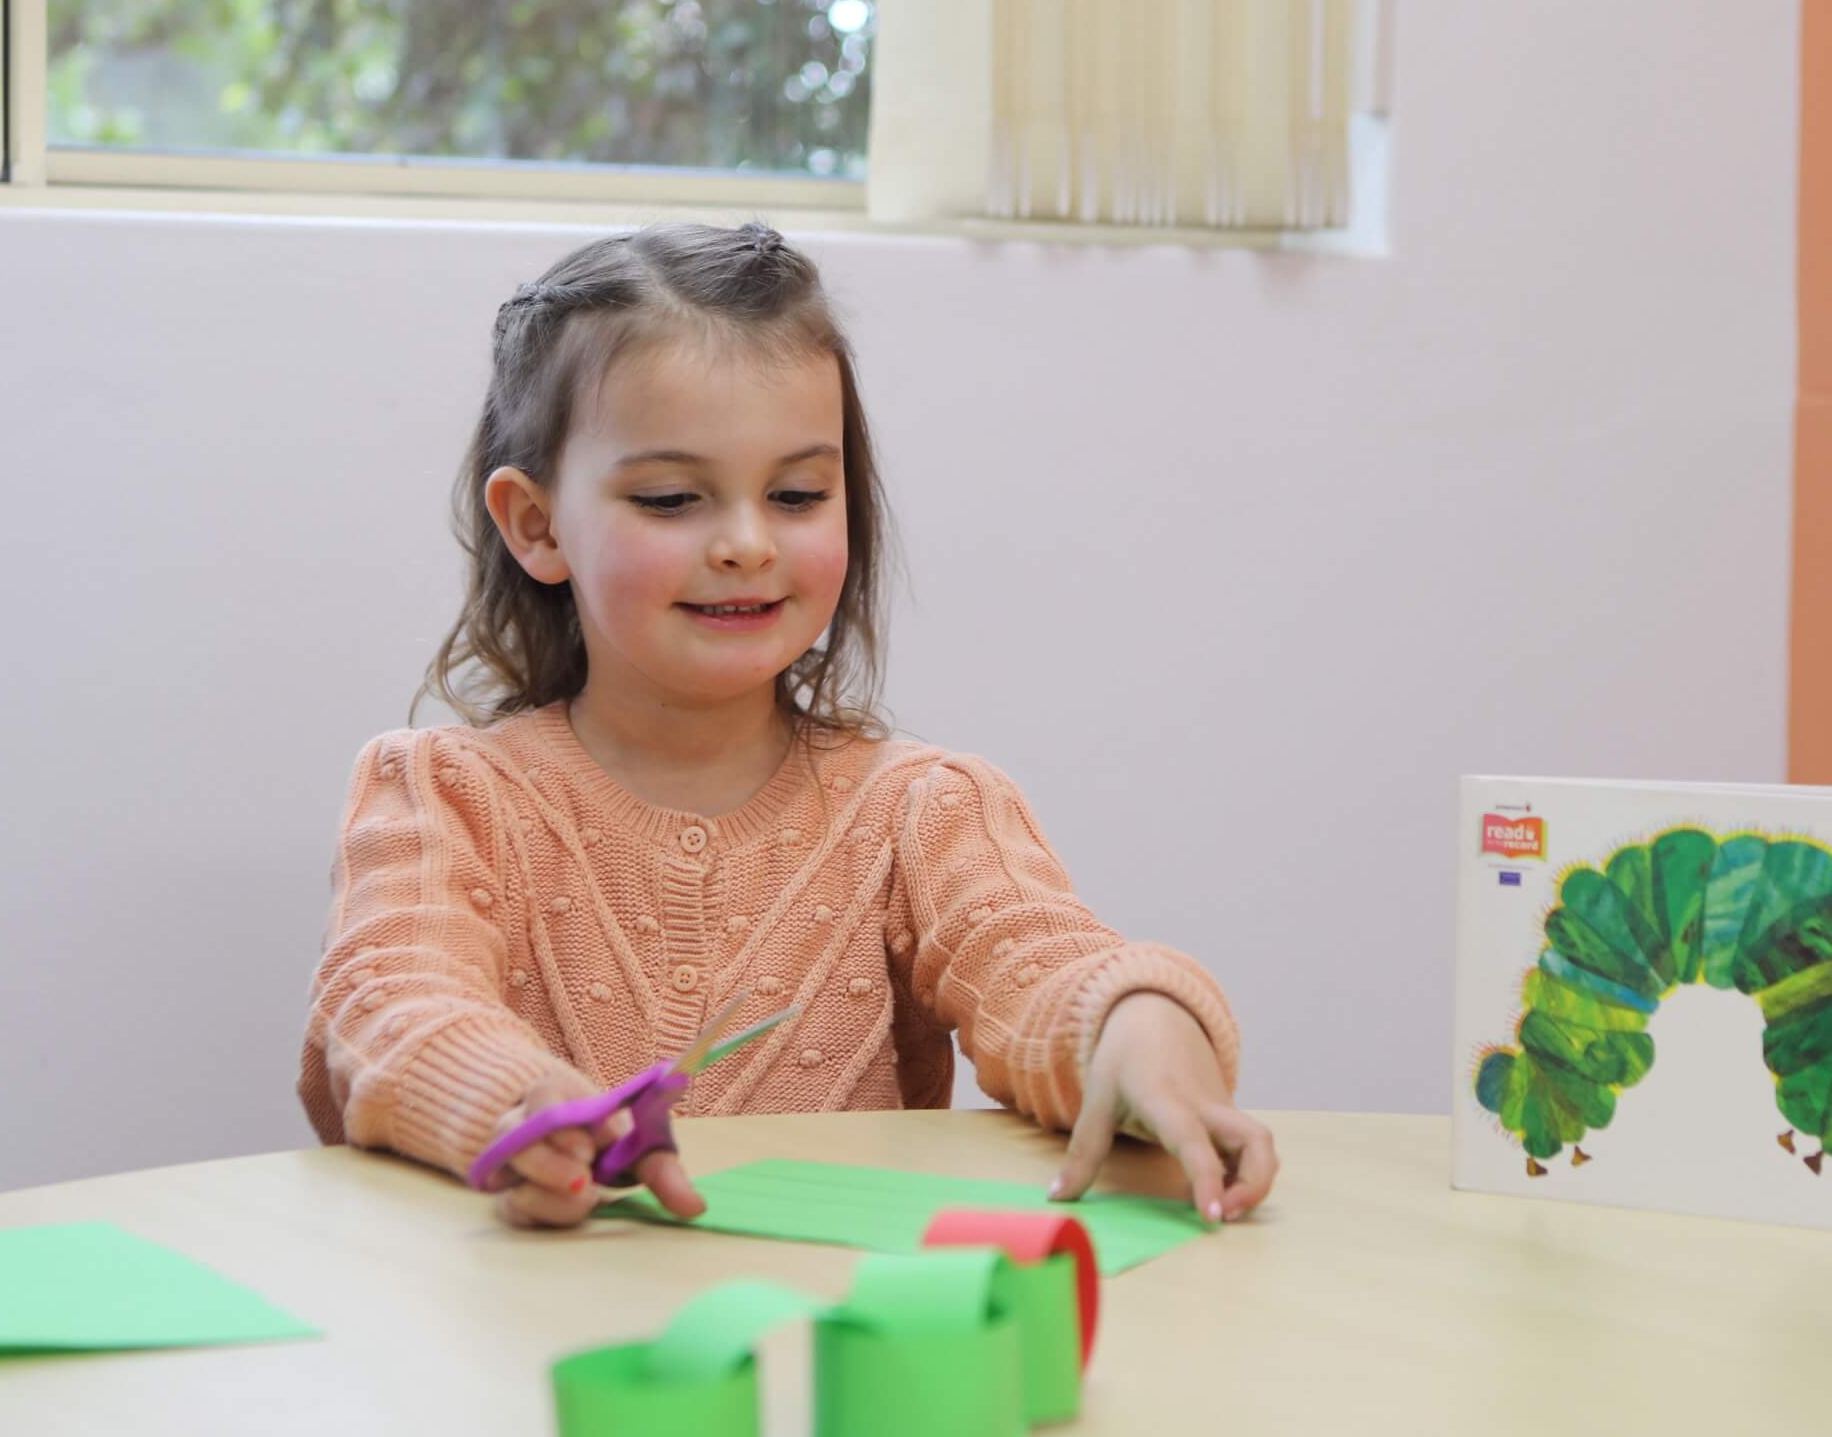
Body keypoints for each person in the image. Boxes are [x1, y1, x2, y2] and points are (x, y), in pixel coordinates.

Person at [298, 222, 1278, 1230]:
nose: (747, 543)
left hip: (846, 1339)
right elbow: (386, 1004)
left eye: (799, 493)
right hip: (539, 1342)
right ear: (537, 526)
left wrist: (1140, 1023)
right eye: (674, 497)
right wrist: (512, 1101)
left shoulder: (927, 807)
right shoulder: (441, 791)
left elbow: (1045, 965)